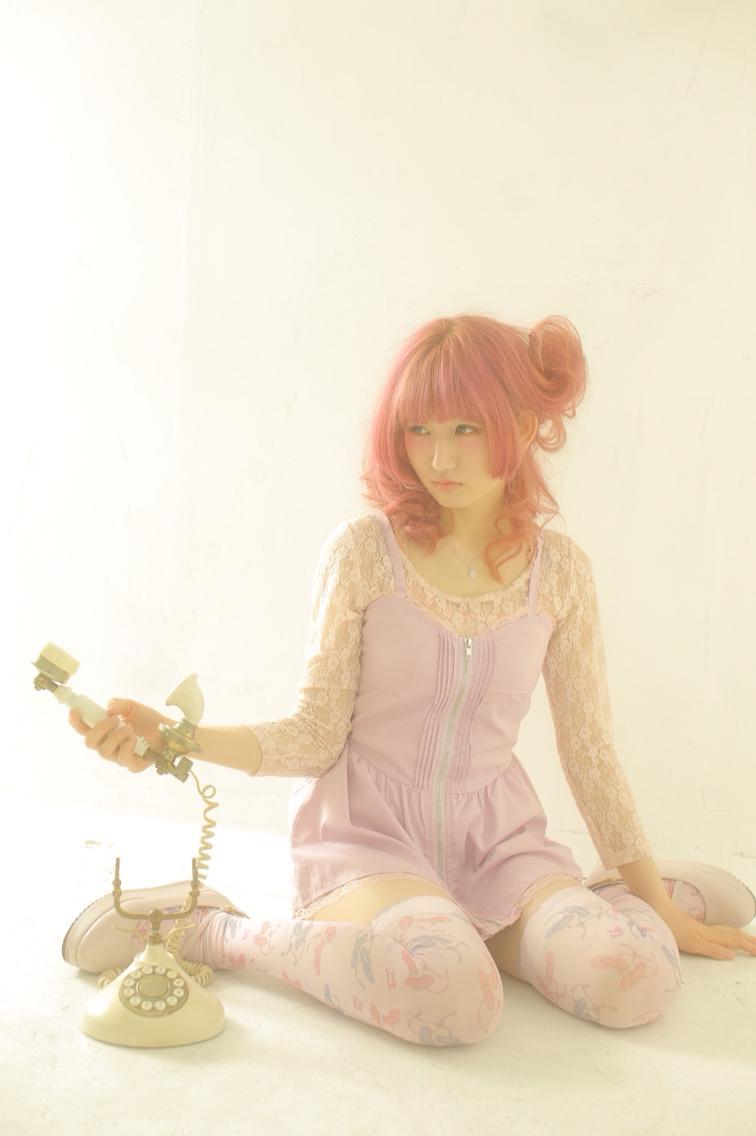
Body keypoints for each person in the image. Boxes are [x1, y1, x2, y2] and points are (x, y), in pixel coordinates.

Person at [63, 312, 756, 1046]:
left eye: (466, 429)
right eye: (419, 429)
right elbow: (314, 733)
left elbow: (588, 750)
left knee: (635, 980)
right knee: (450, 997)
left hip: (498, 843)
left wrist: (655, 907)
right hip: (368, 835)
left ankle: (615, 897)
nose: (438, 456)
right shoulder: (364, 553)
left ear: (523, 426)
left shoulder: (561, 575)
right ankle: (209, 929)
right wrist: (177, 737)